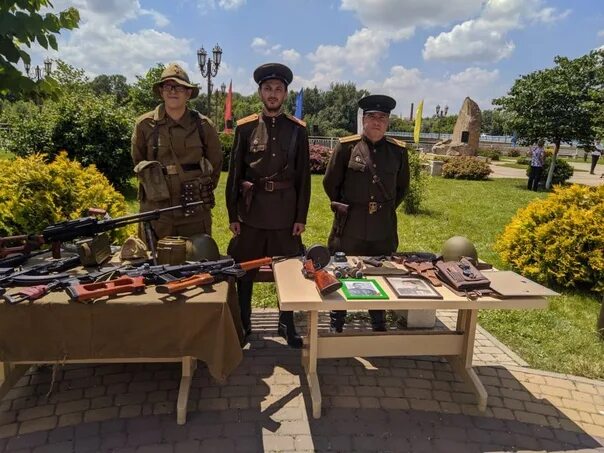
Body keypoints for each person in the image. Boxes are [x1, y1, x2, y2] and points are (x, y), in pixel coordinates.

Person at [225, 63, 311, 348]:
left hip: (285, 215)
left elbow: (304, 178)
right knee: (244, 270)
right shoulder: (246, 127)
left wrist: (300, 216)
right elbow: (235, 174)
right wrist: (233, 214)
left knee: (288, 272)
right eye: (267, 89)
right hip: (251, 213)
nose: (272, 94)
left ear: (285, 93)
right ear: (260, 92)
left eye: (278, 89)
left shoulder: (297, 130)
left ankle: (286, 325)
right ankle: (245, 323)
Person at [323, 94, 410, 332]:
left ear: (388, 122)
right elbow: (331, 183)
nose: (377, 122)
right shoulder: (346, 147)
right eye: (372, 116)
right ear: (364, 119)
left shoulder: (398, 152)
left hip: (382, 227)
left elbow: (402, 187)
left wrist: (382, 208)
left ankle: (378, 321)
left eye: (382, 117)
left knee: (378, 273)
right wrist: (345, 207)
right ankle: (337, 320)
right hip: (350, 224)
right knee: (342, 270)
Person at [131, 63, 222, 242]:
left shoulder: (203, 126)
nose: (173, 91)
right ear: (161, 91)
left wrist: (199, 191)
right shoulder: (144, 125)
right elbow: (138, 161)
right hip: (157, 210)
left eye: (179, 87)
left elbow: (216, 165)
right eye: (168, 86)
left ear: (188, 93)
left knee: (196, 263)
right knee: (154, 264)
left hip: (194, 211)